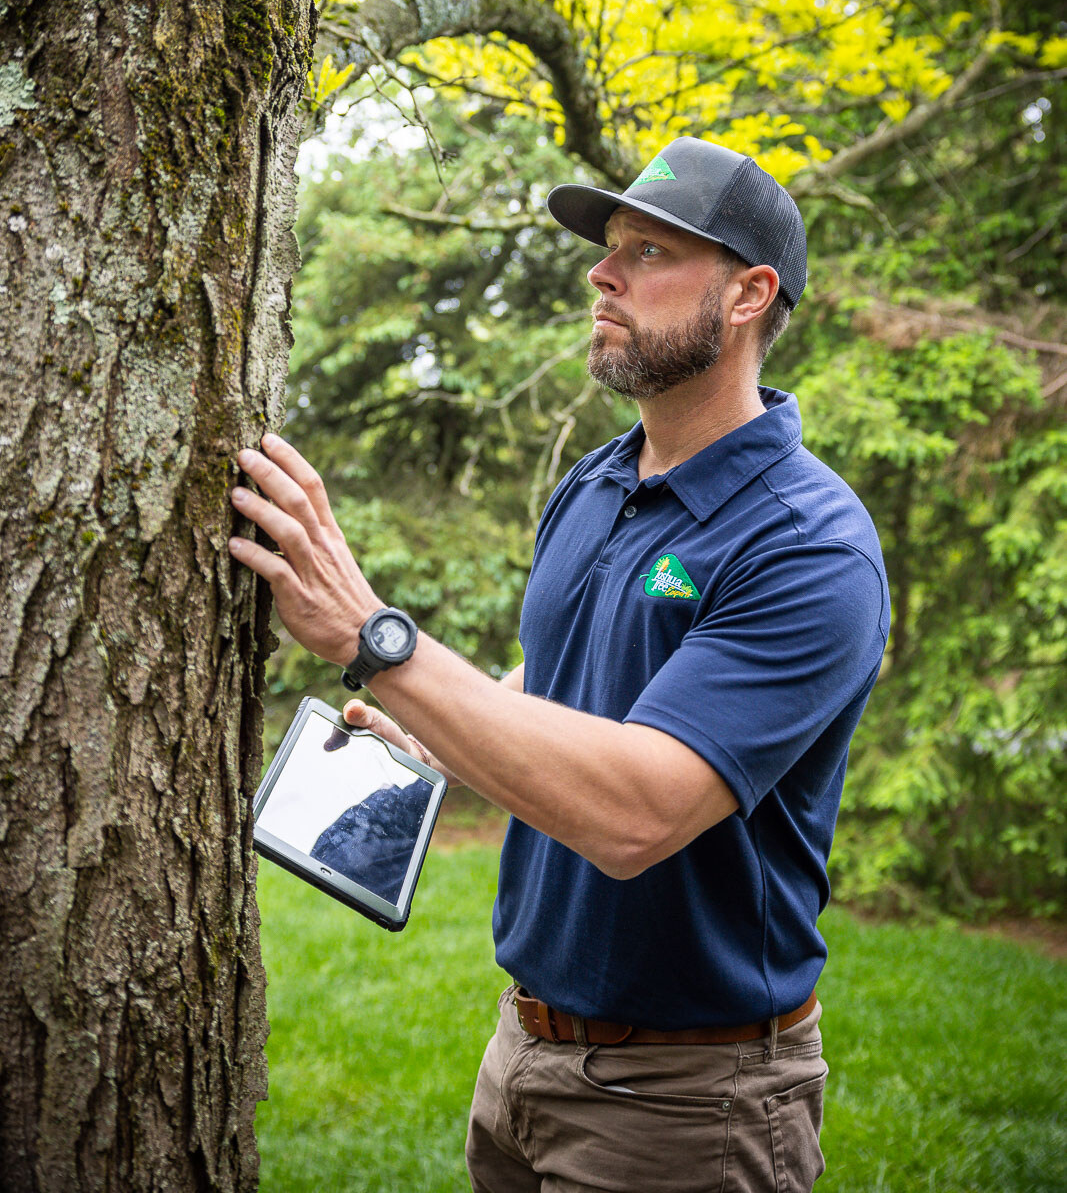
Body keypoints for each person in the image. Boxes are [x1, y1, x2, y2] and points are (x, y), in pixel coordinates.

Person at [228, 135, 889, 1193]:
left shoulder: (808, 546)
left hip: (689, 1101)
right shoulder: (594, 482)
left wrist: (376, 641)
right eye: (605, 246)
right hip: (521, 1053)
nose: (600, 271)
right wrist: (429, 730)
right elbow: (558, 682)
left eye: (646, 250)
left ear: (747, 295)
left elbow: (636, 812)